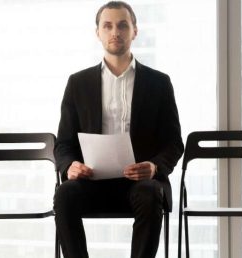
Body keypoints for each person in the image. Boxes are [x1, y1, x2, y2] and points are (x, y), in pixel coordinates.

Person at [53, 1, 184, 258]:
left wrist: (154, 166)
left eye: (123, 25)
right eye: (108, 26)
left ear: (134, 31)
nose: (116, 32)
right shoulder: (77, 83)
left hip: (140, 184)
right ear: (98, 32)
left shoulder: (159, 83)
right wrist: (70, 166)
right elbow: (63, 144)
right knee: (64, 194)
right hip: (92, 182)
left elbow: (173, 143)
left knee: (149, 192)